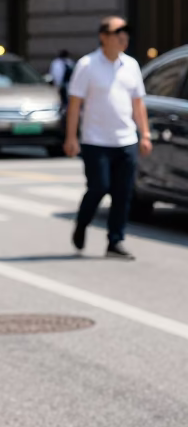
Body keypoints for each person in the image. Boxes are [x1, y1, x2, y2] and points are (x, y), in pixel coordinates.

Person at [65, 17, 152, 260]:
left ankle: (115, 240)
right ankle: (82, 223)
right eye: (117, 32)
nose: (123, 36)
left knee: (123, 193)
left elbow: (138, 103)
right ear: (103, 36)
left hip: (126, 140)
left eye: (126, 31)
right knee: (99, 187)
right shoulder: (87, 65)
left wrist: (144, 133)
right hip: (95, 141)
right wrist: (71, 137)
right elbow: (74, 105)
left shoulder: (131, 65)